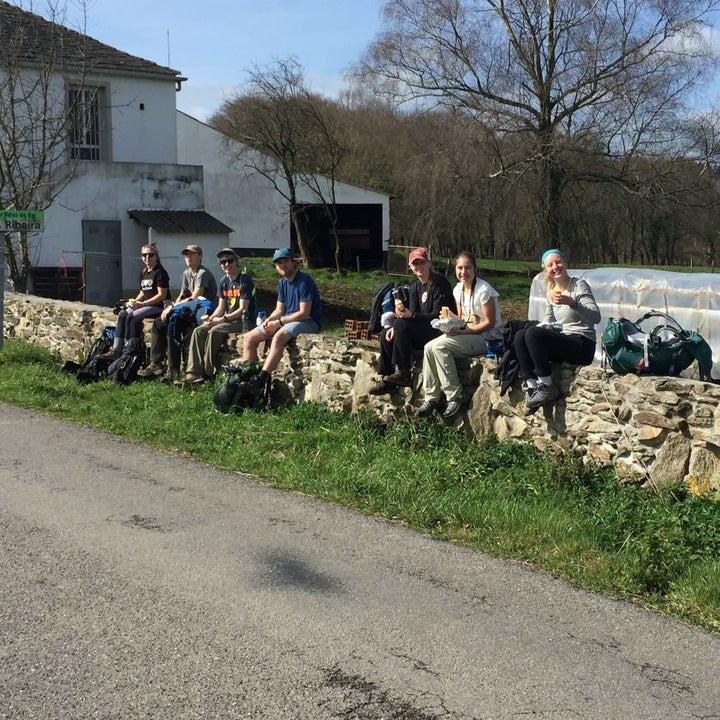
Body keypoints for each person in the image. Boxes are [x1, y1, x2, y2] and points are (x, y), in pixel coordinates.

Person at [416, 251, 501, 420]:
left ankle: (455, 395)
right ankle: (431, 397)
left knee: (441, 347)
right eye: (460, 268)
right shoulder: (458, 289)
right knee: (429, 347)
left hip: (487, 338)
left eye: (468, 268)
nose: (464, 272)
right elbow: (462, 319)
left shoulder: (484, 290)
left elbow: (489, 322)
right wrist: (448, 320)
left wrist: (463, 331)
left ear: (474, 269)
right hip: (467, 333)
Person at [514, 248, 601, 411]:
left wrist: (572, 303)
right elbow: (549, 322)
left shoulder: (579, 285)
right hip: (565, 338)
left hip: (582, 343)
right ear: (545, 269)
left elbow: (596, 317)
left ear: (565, 263)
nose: (555, 267)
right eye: (550, 265)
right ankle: (532, 387)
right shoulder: (551, 291)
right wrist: (541, 327)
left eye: (558, 262)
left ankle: (547, 386)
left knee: (533, 334)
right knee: (520, 335)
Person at [369, 247, 455, 395]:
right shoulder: (415, 287)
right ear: (411, 267)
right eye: (415, 264)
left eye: (421, 262)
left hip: (438, 330)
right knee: (386, 333)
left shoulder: (439, 283)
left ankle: (404, 372)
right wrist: (398, 323)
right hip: (421, 329)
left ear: (429, 263)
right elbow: (412, 313)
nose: (419, 267)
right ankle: (386, 377)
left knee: (401, 324)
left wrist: (410, 317)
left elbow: (438, 315)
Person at [241, 247, 322, 389]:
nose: (283, 265)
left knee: (278, 337)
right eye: (279, 263)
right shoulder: (282, 283)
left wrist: (278, 322)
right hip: (287, 320)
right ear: (276, 267)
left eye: (286, 261)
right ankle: (248, 377)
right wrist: (269, 321)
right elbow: (279, 309)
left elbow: (304, 313)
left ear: (293, 262)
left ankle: (261, 379)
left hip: (308, 321)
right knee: (249, 338)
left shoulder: (304, 280)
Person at [138, 244, 218, 382]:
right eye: (186, 255)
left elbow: (195, 296)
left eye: (192, 254)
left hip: (203, 312)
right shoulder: (187, 273)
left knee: (178, 326)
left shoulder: (202, 273)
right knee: (161, 323)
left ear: (200, 256)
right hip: (188, 310)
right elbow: (182, 295)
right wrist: (171, 307)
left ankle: (183, 369)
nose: (188, 257)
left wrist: (172, 307)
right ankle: (159, 364)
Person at [182, 248, 257, 384]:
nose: (226, 265)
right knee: (199, 330)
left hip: (244, 321)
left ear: (236, 261)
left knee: (214, 331)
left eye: (230, 261)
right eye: (223, 262)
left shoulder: (244, 280)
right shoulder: (223, 281)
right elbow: (221, 307)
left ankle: (207, 373)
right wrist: (211, 319)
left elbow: (242, 309)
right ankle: (193, 371)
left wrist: (221, 320)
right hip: (228, 319)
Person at [101, 243, 169, 359]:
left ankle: (128, 350)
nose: (147, 257)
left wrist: (142, 304)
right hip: (145, 304)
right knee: (123, 314)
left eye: (150, 255)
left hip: (158, 306)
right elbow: (143, 292)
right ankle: (116, 349)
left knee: (132, 317)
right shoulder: (143, 272)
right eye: (144, 255)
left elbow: (161, 295)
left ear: (156, 256)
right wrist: (134, 302)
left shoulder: (160, 272)